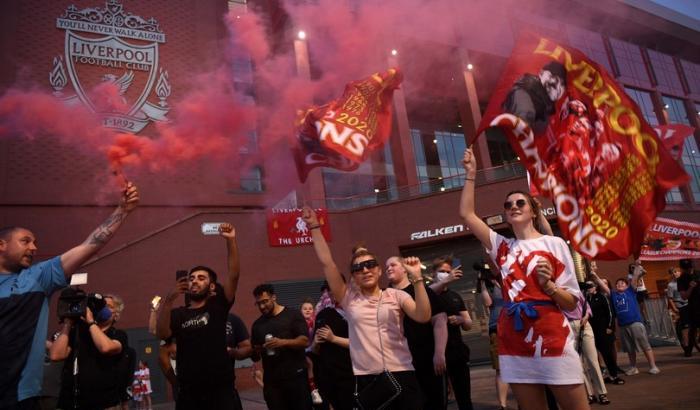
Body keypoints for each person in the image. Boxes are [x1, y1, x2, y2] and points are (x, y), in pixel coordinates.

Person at [459, 148, 588, 410]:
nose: (513, 207)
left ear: (532, 211)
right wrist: (471, 175)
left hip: (553, 334)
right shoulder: (502, 247)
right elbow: (467, 215)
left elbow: (572, 300)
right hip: (514, 336)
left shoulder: (554, 244)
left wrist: (549, 286)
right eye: (508, 205)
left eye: (520, 203)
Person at [0, 182, 139, 409]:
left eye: (35, 242)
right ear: (1, 245)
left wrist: (122, 210)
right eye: (25, 241)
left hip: (20, 396)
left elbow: (89, 246)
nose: (34, 247)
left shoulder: (37, 277)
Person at [303, 206, 431, 410]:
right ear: (353, 276)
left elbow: (423, 316)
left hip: (403, 372)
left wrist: (417, 279)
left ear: (379, 270)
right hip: (367, 379)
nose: (365, 270)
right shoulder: (348, 299)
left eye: (370, 264)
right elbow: (328, 263)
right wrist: (315, 227)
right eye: (358, 268)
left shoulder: (396, 295)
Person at [156, 223, 241, 409]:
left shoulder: (218, 306)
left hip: (220, 389)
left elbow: (233, 275)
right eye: (192, 278)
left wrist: (231, 240)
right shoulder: (178, 313)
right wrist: (168, 301)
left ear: (211, 286)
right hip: (189, 391)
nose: (195, 281)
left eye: (201, 278)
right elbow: (162, 334)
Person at [386, 255, 448, 410]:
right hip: (400, 365)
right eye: (386, 267)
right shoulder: (384, 296)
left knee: (435, 403)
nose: (388, 268)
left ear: (404, 268)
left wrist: (439, 353)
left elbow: (440, 321)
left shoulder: (422, 291)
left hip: (427, 360)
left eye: (393, 265)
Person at [50, 293, 129, 409]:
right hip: (70, 403)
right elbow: (55, 355)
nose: (103, 308)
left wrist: (91, 323)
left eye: (109, 306)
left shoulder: (118, 335)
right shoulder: (79, 332)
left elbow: (106, 348)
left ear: (116, 316)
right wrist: (68, 323)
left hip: (104, 404)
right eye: (101, 305)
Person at [250, 284, 312, 410]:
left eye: (265, 302)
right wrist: (254, 352)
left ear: (274, 297)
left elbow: (304, 341)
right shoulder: (257, 325)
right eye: (258, 303)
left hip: (296, 378)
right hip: (272, 383)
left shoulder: (293, 315)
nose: (262, 306)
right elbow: (256, 356)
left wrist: (282, 342)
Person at [430, 256, 475, 410]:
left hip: (457, 352)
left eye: (448, 272)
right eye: (441, 271)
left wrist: (461, 320)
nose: (446, 274)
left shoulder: (455, 296)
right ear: (433, 274)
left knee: (464, 397)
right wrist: (445, 281)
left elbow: (468, 323)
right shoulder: (427, 293)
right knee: (438, 399)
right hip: (434, 354)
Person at [607, 260, 659, 375]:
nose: (619, 284)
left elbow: (635, 277)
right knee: (630, 348)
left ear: (627, 286)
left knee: (645, 345)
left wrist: (636, 266)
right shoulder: (614, 295)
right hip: (623, 325)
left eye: (622, 283)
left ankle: (653, 366)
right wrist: (595, 276)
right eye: (617, 284)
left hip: (635, 323)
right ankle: (633, 367)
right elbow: (605, 288)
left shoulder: (630, 291)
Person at [563, 288, 610, 405]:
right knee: (578, 364)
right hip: (567, 326)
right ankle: (589, 394)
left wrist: (587, 316)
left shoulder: (576, 290)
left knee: (592, 360)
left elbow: (587, 307)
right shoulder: (556, 291)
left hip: (583, 323)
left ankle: (602, 393)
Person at [311, 283, 354, 410]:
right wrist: (315, 344)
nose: (331, 292)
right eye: (329, 290)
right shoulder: (322, 314)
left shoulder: (355, 311)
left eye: (334, 288)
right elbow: (314, 350)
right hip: (327, 376)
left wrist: (333, 339)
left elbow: (363, 344)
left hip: (349, 374)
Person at [586, 265, 624, 385]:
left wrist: (609, 327)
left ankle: (614, 375)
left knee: (608, 353)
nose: (589, 288)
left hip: (604, 330)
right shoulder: (586, 299)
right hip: (593, 331)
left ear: (595, 287)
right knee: (597, 355)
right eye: (587, 287)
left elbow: (610, 313)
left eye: (591, 286)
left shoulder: (602, 296)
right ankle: (604, 376)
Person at [226, 312, 253, 410]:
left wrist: (232, 352)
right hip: (196, 390)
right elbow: (174, 351)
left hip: (227, 387)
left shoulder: (232, 319)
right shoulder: (192, 319)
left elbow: (247, 348)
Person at [300, 299, 323, 405]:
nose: (308, 310)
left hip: (312, 349)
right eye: (305, 309)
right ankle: (313, 390)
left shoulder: (315, 322)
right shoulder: (299, 323)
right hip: (301, 351)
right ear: (300, 311)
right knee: (309, 364)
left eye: (310, 309)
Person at [678, 258, 700, 356]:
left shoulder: (698, 274)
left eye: (690, 267)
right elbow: (684, 296)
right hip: (694, 307)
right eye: (687, 268)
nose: (689, 270)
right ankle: (689, 349)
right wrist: (691, 287)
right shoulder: (681, 279)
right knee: (693, 328)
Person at [666, 266, 690, 355]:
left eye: (676, 271)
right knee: (685, 326)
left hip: (689, 303)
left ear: (680, 272)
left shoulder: (686, 281)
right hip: (680, 305)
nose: (675, 273)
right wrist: (675, 308)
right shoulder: (671, 285)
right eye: (673, 272)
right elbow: (670, 298)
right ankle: (686, 346)